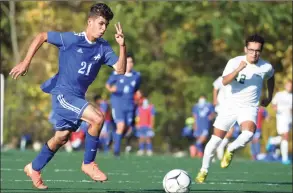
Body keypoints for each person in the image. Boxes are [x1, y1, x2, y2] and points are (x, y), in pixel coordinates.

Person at [9, 3, 126, 189]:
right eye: (101, 23)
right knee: (97, 118)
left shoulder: (103, 48)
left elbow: (120, 69)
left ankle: (34, 167)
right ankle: (88, 164)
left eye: (106, 25)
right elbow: (42, 36)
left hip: (77, 96)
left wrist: (122, 46)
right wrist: (25, 63)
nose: (104, 28)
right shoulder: (71, 39)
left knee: (62, 137)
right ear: (90, 22)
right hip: (63, 94)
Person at [195, 34, 275, 183]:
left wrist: (269, 96)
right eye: (251, 50)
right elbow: (224, 81)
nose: (254, 53)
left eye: (257, 50)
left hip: (249, 107)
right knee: (215, 140)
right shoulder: (234, 62)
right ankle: (203, 170)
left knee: (249, 133)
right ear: (245, 49)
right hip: (229, 106)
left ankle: (231, 149)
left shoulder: (266, 67)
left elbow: (271, 77)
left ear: (261, 51)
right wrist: (238, 69)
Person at [106, 53, 141, 156]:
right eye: (127, 62)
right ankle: (116, 151)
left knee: (128, 128)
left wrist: (137, 93)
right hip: (118, 103)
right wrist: (111, 89)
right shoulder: (117, 73)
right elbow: (108, 84)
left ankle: (114, 138)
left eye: (130, 62)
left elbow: (136, 88)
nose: (129, 64)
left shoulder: (137, 76)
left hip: (130, 104)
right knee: (120, 126)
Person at [267, 80, 292, 164]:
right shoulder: (279, 95)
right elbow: (273, 104)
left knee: (285, 137)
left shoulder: (291, 96)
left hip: (289, 119)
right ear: (285, 86)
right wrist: (276, 109)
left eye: (291, 86)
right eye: (288, 85)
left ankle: (273, 140)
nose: (290, 87)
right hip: (281, 118)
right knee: (285, 136)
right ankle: (285, 158)